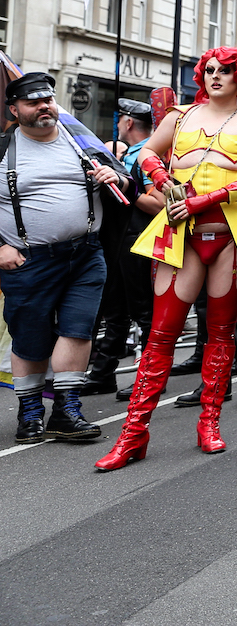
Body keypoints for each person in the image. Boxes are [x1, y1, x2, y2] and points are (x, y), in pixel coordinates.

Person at [97, 50, 237, 469]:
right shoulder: (179, 116)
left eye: (226, 71)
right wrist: (161, 176)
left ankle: (209, 423)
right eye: (210, 71)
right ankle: (132, 436)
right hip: (180, 234)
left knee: (221, 332)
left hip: (230, 236)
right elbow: (145, 152)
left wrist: (205, 198)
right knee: (161, 334)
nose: (216, 77)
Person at [1, 73, 130, 446]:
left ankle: (67, 411)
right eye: (33, 102)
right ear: (14, 109)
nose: (44, 106)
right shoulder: (2, 149)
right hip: (28, 260)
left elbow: (128, 185)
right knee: (30, 337)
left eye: (48, 100)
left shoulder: (82, 144)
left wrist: (116, 178)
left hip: (86, 254)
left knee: (78, 328)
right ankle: (29, 413)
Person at [83, 98, 160, 396]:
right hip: (119, 239)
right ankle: (103, 374)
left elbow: (157, 204)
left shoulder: (147, 156)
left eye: (120, 121)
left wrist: (123, 185)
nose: (118, 125)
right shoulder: (129, 154)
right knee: (115, 311)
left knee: (144, 313)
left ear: (128, 123)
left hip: (138, 239)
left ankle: (150, 377)